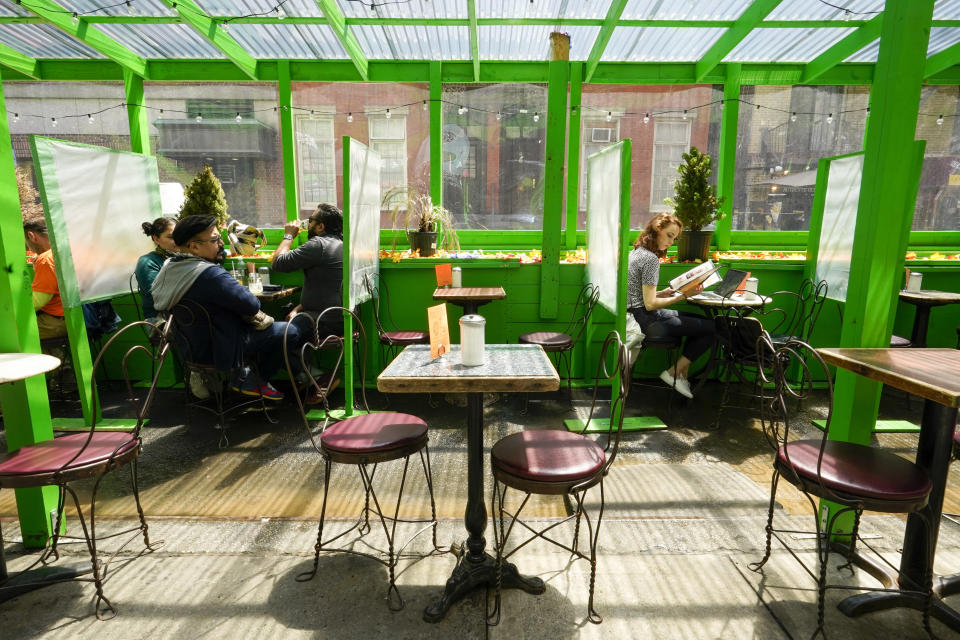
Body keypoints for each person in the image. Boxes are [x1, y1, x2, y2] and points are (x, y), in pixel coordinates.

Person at [152, 215, 300, 401]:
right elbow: (252, 304)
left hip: (190, 350)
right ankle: (252, 379)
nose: (222, 243)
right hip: (222, 348)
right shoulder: (210, 274)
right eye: (215, 240)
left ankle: (245, 375)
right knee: (290, 331)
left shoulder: (169, 268)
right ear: (194, 246)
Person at [626, 212, 715, 399]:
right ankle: (674, 373)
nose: (671, 242)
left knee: (701, 321)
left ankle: (680, 375)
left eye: (674, 238)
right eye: (669, 235)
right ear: (657, 228)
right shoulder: (650, 259)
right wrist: (683, 295)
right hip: (647, 321)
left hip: (636, 315)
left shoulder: (635, 252)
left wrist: (662, 293)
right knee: (712, 328)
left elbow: (637, 295)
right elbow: (650, 304)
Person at [270, 203, 344, 404]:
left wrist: (288, 236)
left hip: (321, 320)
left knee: (277, 337)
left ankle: (318, 376)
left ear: (320, 227)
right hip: (338, 316)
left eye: (310, 220)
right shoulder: (341, 244)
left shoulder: (318, 244)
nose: (306, 224)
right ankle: (306, 377)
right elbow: (327, 289)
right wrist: (299, 308)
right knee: (285, 329)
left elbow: (278, 263)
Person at [24, 217, 66, 340]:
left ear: (32, 236)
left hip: (56, 322)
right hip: (78, 318)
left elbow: (38, 301)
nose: (28, 248)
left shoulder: (46, 259)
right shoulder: (61, 251)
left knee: (11, 331)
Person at [135, 217, 177, 322]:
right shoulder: (148, 262)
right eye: (171, 237)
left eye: (179, 235)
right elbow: (154, 296)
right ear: (156, 239)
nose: (177, 240)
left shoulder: (182, 258)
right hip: (159, 320)